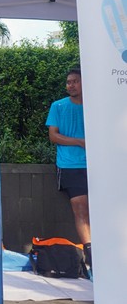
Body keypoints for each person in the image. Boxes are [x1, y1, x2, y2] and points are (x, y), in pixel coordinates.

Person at [46, 67, 92, 271]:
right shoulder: (58, 106)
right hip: (70, 165)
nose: (71, 85)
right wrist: (79, 142)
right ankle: (90, 254)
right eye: (68, 82)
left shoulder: (95, 105)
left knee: (99, 209)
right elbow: (53, 136)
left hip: (98, 165)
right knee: (81, 209)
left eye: (75, 81)